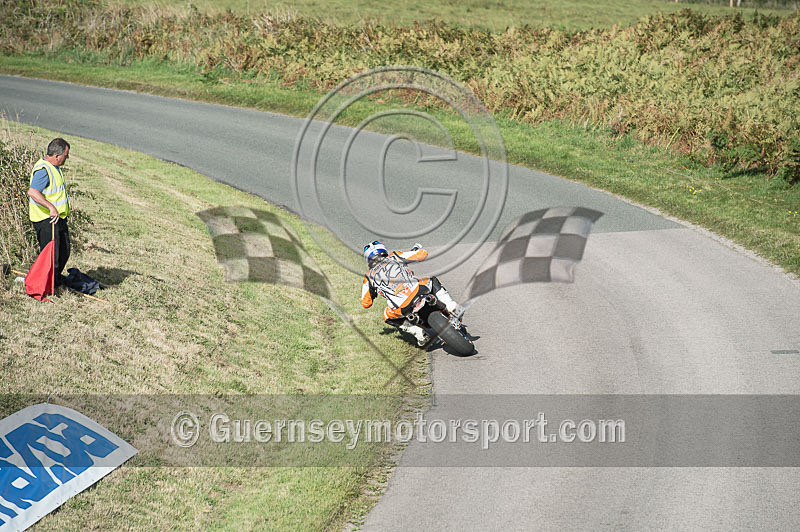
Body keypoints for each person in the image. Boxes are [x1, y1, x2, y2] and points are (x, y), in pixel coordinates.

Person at [361, 240, 464, 346]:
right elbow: (423, 254)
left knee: (386, 316)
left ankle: (418, 333)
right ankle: (452, 306)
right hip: (418, 290)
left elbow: (366, 303)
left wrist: (374, 292)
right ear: (383, 250)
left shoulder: (369, 277)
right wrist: (416, 251)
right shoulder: (395, 256)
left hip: (401, 307)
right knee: (431, 279)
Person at [27, 138, 72, 286]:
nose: (67, 157)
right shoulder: (44, 170)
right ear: (57, 156)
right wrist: (51, 207)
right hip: (46, 219)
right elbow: (33, 192)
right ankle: (46, 286)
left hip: (58, 219)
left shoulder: (54, 167)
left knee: (64, 251)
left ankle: (54, 281)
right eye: (66, 154)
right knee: (52, 257)